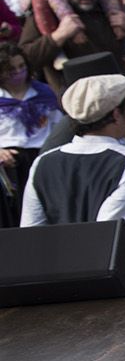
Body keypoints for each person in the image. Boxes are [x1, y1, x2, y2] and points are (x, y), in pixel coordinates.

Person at [21, 73, 125, 268]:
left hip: (64, 270)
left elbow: (31, 233)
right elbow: (107, 232)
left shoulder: (43, 162)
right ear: (116, 114)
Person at [0, 40, 61, 227]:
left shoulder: (43, 93)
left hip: (42, 155)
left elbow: (58, 126)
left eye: (21, 67)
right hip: (10, 161)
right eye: (11, 70)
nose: (19, 73)